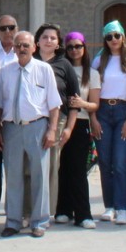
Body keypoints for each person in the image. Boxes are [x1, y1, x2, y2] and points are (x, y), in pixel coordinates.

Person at [0, 31, 62, 238]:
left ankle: (39, 221)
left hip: (37, 127)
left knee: (39, 175)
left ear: (34, 47)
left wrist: (52, 130)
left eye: (26, 45)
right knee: (13, 175)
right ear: (14, 48)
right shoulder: (5, 72)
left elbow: (54, 104)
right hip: (11, 128)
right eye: (18, 45)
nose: (22, 49)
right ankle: (13, 221)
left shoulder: (44, 70)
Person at [33, 23, 80, 223]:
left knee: (51, 168)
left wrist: (69, 127)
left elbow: (73, 99)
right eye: (45, 37)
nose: (49, 40)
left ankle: (45, 212)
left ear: (58, 43)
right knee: (30, 168)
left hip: (57, 121)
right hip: (32, 120)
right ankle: (28, 211)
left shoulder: (64, 65)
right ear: (37, 41)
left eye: (53, 38)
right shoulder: (29, 61)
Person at [92, 20, 126, 224]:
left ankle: (122, 207)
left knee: (120, 162)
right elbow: (91, 91)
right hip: (102, 111)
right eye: (109, 37)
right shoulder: (98, 61)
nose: (113, 40)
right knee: (105, 162)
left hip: (123, 110)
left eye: (117, 35)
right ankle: (109, 206)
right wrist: (93, 118)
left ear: (123, 37)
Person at [57, 31, 99, 228]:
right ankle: (63, 209)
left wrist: (82, 102)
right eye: (71, 47)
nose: (74, 50)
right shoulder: (59, 69)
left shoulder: (93, 74)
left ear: (84, 48)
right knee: (61, 167)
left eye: (78, 46)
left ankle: (83, 214)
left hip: (80, 123)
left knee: (78, 170)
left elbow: (95, 105)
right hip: (60, 121)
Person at [0, 14, 20, 217]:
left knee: (15, 165)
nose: (8, 32)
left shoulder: (25, 51)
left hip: (15, 116)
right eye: (3, 28)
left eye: (11, 27)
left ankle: (15, 208)